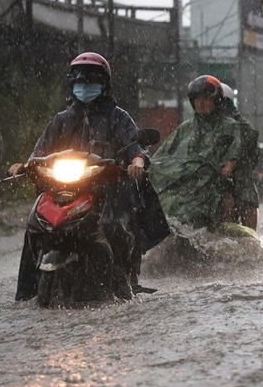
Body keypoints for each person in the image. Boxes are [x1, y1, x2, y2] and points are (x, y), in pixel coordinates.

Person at [8, 52, 160, 301]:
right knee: (34, 227)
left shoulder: (118, 117)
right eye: (79, 82)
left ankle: (124, 287)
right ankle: (26, 294)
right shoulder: (61, 120)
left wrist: (136, 161)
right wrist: (23, 166)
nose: (84, 87)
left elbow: (136, 145)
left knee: (112, 227)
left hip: (106, 190)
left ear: (104, 84)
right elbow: (39, 151)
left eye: (90, 82)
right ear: (72, 85)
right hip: (62, 190)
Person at [149, 75, 242, 230]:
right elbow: (162, 155)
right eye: (197, 99)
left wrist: (229, 166)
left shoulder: (229, 126)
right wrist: (148, 166)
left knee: (227, 200)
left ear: (216, 100)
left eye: (205, 98)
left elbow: (235, 149)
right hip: (184, 182)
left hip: (213, 183)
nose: (201, 102)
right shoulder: (185, 128)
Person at [219, 83, 260, 230]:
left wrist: (233, 165)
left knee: (248, 204)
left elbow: (251, 155)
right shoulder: (200, 126)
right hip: (214, 180)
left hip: (241, 179)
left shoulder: (241, 126)